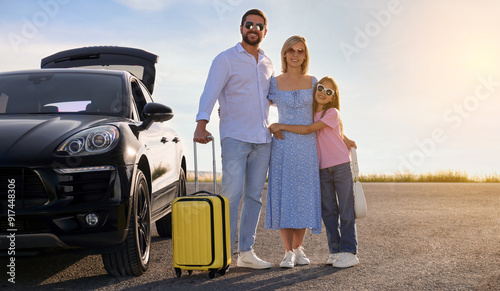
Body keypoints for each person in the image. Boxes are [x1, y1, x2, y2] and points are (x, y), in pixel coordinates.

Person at [193, 9, 273, 269]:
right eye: (249, 24)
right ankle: (223, 254)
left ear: (265, 32)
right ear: (241, 28)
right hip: (235, 137)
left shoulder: (268, 62)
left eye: (259, 26)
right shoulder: (225, 59)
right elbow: (210, 92)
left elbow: (270, 98)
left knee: (254, 197)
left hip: (263, 138)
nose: (254, 29)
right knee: (231, 195)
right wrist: (201, 125)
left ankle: (246, 252)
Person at [268, 76, 360, 268]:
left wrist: (281, 125)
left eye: (329, 92)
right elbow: (337, 133)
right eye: (320, 88)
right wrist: (346, 138)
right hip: (322, 168)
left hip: (341, 165)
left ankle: (349, 251)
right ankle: (335, 251)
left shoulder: (332, 112)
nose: (323, 93)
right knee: (328, 211)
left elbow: (310, 129)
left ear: (333, 97)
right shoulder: (310, 113)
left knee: (345, 209)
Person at [264, 36, 322, 268]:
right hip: (283, 146)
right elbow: (259, 108)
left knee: (304, 196)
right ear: (284, 54)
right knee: (284, 196)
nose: (295, 54)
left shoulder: (313, 81)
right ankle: (288, 252)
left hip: (307, 146)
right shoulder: (274, 82)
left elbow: (324, 113)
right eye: (291, 50)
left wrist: (343, 136)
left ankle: (298, 248)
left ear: (305, 55)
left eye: (300, 51)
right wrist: (269, 125)